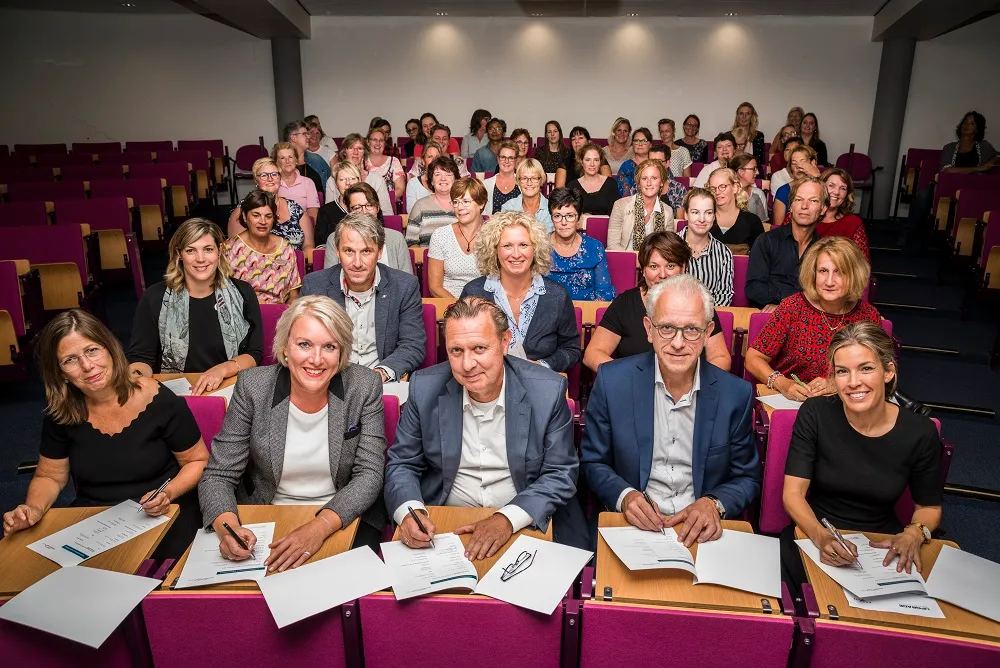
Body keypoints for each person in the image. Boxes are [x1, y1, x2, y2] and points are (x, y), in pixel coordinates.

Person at [384, 297, 588, 553]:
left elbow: (561, 473)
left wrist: (506, 519)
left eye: (479, 348)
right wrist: (410, 512)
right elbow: (402, 464)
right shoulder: (424, 388)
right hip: (443, 521)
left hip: (523, 519)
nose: (467, 365)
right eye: (456, 351)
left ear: (505, 342)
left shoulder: (546, 391)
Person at [3, 310, 210, 560]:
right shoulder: (62, 411)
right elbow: (50, 476)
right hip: (94, 519)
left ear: (110, 349)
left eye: (92, 350)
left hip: (161, 510)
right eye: (70, 360)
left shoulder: (159, 399)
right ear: (60, 373)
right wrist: (33, 508)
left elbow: (197, 461)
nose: (87, 366)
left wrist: (167, 493)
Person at [198, 295, 388, 564]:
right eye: (304, 344)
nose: (316, 359)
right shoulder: (253, 387)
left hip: (343, 515)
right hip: (266, 515)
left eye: (330, 347)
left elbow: (369, 475)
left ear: (342, 353)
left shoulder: (364, 385)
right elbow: (218, 475)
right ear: (285, 348)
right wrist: (227, 527)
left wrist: (319, 527)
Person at [581, 274, 760, 540]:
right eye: (666, 328)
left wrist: (713, 503)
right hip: (632, 526)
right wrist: (625, 496)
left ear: (707, 333)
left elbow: (748, 478)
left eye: (691, 330)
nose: (678, 343)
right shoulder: (613, 382)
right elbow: (592, 462)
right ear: (649, 329)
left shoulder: (735, 394)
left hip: (703, 530)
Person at [780, 321, 942, 585]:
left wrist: (914, 532)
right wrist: (821, 536)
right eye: (842, 372)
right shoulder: (815, 413)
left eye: (866, 369)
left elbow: (929, 507)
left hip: (883, 543)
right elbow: (792, 494)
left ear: (888, 371)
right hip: (816, 532)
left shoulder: (921, 432)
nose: (854, 383)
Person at [128, 218, 262, 394]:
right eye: (190, 250)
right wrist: (136, 377)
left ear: (219, 251)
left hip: (230, 388)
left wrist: (221, 370)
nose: (200, 259)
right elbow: (141, 357)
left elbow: (254, 353)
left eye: (208, 250)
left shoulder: (243, 293)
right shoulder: (154, 298)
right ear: (179, 254)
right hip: (175, 394)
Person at [745, 236, 879, 400]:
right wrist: (783, 384)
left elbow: (877, 369)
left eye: (839, 272)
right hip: (795, 402)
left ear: (854, 275)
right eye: (823, 271)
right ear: (813, 273)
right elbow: (753, 359)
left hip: (849, 402)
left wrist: (836, 383)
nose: (829, 281)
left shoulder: (868, 316)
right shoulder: (792, 308)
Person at [584, 232, 732, 373]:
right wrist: (627, 379)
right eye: (654, 266)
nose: (662, 275)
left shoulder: (698, 302)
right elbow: (593, 354)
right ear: (643, 270)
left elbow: (720, 358)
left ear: (683, 268)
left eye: (670, 266)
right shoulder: (625, 303)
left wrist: (694, 383)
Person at [302, 213, 425, 381]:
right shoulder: (315, 286)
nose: (357, 262)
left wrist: (380, 375)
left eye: (366, 251)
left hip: (383, 380)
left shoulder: (404, 286)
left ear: (380, 252)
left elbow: (413, 344)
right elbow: (303, 342)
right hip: (330, 379)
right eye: (349, 251)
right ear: (337, 251)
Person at [461, 211, 581, 372]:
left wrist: (542, 366)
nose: (516, 254)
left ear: (535, 249)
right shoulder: (473, 293)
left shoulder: (557, 296)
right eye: (507, 246)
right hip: (485, 384)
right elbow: (459, 347)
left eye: (523, 245)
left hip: (539, 384)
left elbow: (571, 350)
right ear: (494, 250)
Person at [900, 111, 999, 246]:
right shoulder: (950, 147)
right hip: (948, 184)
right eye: (965, 122)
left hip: (972, 186)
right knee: (922, 196)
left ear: (977, 129)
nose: (966, 125)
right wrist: (978, 168)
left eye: (972, 123)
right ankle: (907, 232)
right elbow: (947, 170)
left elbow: (998, 156)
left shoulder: (984, 146)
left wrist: (989, 164)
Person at [746, 177, 824, 311]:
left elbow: (825, 293)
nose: (804, 206)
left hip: (810, 317)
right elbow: (754, 288)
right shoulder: (766, 241)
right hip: (771, 317)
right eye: (798, 200)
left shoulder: (826, 249)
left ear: (823, 209)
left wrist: (786, 305)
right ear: (791, 206)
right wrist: (786, 305)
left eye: (813, 201)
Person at [225, 190, 302, 305]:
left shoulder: (285, 247)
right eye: (256, 215)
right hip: (243, 316)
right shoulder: (230, 248)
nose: (263, 221)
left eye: (268, 216)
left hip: (279, 315)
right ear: (245, 217)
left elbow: (293, 294)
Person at [325, 182, 412, 276]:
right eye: (357, 207)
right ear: (349, 211)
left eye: (370, 205)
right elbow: (329, 280)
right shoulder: (334, 238)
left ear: (378, 208)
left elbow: (407, 281)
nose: (364, 212)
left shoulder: (396, 238)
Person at [226, 157, 310, 251]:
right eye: (263, 175)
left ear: (280, 178)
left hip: (296, 262)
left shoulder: (295, 209)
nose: (270, 179)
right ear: (256, 180)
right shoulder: (243, 210)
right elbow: (236, 249)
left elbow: (309, 246)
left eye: (274, 174)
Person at [547, 187, 615, 301]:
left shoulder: (594, 248)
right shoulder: (541, 246)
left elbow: (603, 294)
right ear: (552, 218)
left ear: (579, 218)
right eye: (557, 216)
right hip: (550, 314)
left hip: (587, 314)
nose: (563, 222)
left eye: (570, 216)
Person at [428, 177, 487, 298]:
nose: (459, 208)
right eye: (455, 202)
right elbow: (435, 287)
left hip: (485, 305)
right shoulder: (440, 235)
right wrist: (459, 308)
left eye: (466, 201)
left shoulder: (493, 235)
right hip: (449, 305)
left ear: (481, 203)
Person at [680, 188, 734, 307]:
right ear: (686, 214)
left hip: (709, 319)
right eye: (695, 212)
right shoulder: (670, 246)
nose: (702, 219)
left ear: (714, 216)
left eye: (708, 213)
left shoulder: (724, 253)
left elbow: (724, 295)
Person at [608, 159, 676, 251]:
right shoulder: (620, 205)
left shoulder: (668, 211)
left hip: (655, 263)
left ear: (661, 182)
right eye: (644, 179)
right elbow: (613, 246)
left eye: (654, 178)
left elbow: (668, 248)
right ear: (639, 184)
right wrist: (634, 260)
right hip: (624, 261)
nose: (649, 183)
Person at [327, 134, 394, 216]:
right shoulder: (333, 179)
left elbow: (387, 214)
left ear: (365, 152)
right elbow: (329, 212)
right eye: (351, 148)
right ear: (344, 152)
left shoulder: (377, 180)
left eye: (360, 148)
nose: (355, 152)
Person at [708, 167, 764, 255]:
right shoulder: (703, 220)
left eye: (722, 187)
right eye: (712, 188)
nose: (717, 192)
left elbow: (759, 259)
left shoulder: (752, 222)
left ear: (735, 187)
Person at [406, 156, 460, 247]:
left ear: (455, 179)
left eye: (448, 174)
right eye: (437, 174)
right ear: (431, 181)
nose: (443, 178)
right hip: (426, 259)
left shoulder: (464, 206)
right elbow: (411, 243)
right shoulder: (420, 206)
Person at [819, 168, 870, 261]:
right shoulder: (804, 214)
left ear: (847, 194)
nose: (836, 192)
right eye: (831, 185)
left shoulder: (853, 223)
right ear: (820, 187)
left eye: (843, 188)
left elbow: (863, 262)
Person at [773, 144, 822, 225]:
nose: (798, 166)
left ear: (813, 163)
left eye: (802, 162)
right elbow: (778, 228)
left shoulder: (822, 184)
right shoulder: (784, 191)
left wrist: (816, 176)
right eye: (794, 163)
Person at [566, 142, 620, 215]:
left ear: (600, 162)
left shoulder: (611, 184)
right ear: (581, 162)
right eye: (587, 160)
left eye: (596, 160)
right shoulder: (572, 186)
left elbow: (617, 214)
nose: (592, 164)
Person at [316, 161, 362, 245]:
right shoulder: (325, 212)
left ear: (359, 181)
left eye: (352, 178)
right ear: (336, 184)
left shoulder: (370, 208)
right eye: (342, 179)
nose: (348, 183)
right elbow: (320, 245)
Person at [273, 142, 320, 225]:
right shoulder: (272, 183)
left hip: (303, 228)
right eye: (282, 158)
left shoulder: (308, 183)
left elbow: (313, 216)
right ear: (277, 162)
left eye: (290, 157)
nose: (287, 161)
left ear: (296, 160)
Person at [501, 159, 552, 232]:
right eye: (524, 178)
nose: (529, 183)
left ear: (541, 180)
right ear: (518, 181)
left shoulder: (551, 208)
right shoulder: (508, 208)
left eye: (534, 178)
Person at [283, 120, 330, 193]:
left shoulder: (317, 159)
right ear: (293, 138)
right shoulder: (280, 164)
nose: (309, 136)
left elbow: (331, 181)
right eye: (304, 134)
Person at [365, 127, 405, 202]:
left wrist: (384, 200)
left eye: (381, 140)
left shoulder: (394, 161)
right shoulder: (362, 162)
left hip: (389, 204)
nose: (378, 143)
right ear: (367, 142)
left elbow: (400, 189)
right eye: (374, 140)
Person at [649, 144, 689, 218]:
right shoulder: (639, 186)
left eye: (659, 161)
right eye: (651, 161)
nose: (654, 165)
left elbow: (679, 221)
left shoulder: (678, 188)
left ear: (667, 163)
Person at [482, 141, 521, 214]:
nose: (506, 161)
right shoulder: (486, 184)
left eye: (511, 158)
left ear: (516, 160)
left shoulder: (523, 184)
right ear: (498, 159)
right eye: (503, 157)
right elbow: (482, 213)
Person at [405, 140, 443, 214]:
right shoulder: (413, 184)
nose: (434, 160)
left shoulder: (447, 182)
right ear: (423, 161)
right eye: (430, 157)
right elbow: (412, 213)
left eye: (437, 157)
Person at [729, 153, 769, 223]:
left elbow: (763, 225)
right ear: (741, 172)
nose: (757, 172)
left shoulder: (758, 194)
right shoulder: (726, 194)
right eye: (754, 169)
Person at [616, 127, 654, 197]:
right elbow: (624, 194)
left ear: (650, 144)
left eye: (644, 141)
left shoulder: (657, 165)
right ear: (632, 144)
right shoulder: (626, 166)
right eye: (636, 140)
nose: (640, 144)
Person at [731, 102, 766, 176]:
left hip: (753, 172)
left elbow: (760, 160)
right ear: (737, 116)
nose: (744, 117)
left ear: (752, 116)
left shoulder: (758, 136)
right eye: (741, 113)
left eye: (747, 114)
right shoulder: (729, 135)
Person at [768, 136, 803, 201]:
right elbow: (779, 201)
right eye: (787, 149)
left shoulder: (809, 173)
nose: (791, 152)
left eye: (795, 149)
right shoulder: (778, 176)